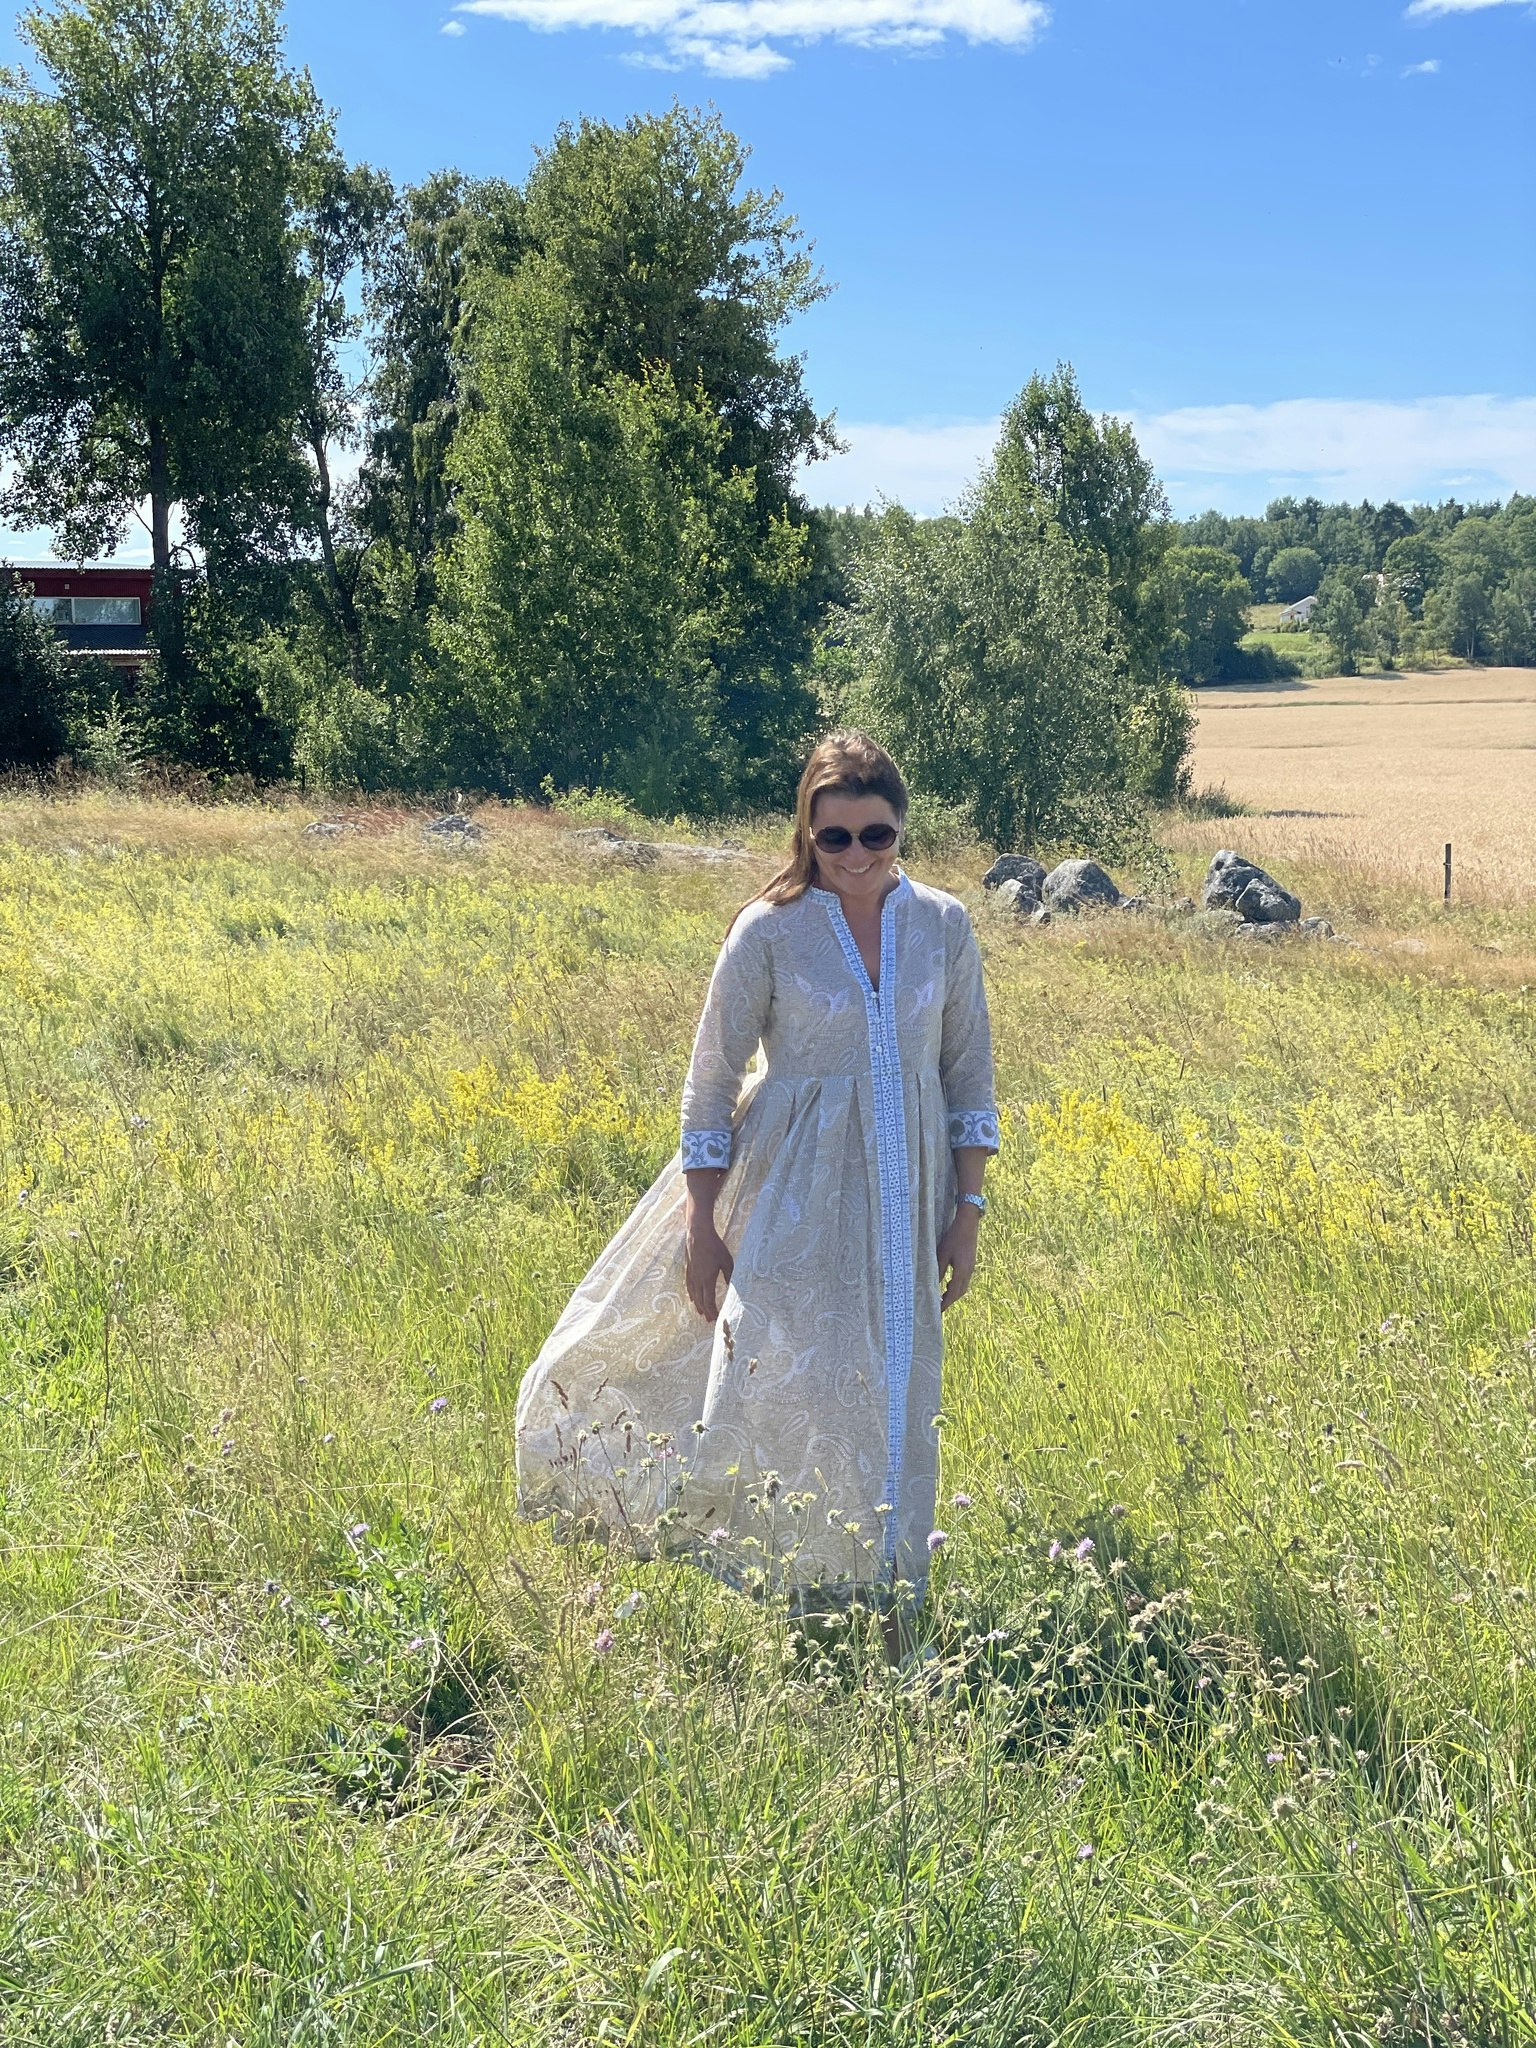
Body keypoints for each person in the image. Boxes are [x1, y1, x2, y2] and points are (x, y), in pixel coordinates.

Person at [515, 732, 999, 1607]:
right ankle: (782, 1573)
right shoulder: (768, 930)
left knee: (892, 1380)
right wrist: (701, 1224)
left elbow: (967, 1076)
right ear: (806, 835)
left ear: (901, 830)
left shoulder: (943, 925)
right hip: (791, 1189)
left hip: (908, 1194)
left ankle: (885, 1583)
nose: (856, 856)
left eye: (875, 835)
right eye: (835, 838)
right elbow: (708, 1083)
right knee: (777, 1376)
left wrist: (967, 1208)